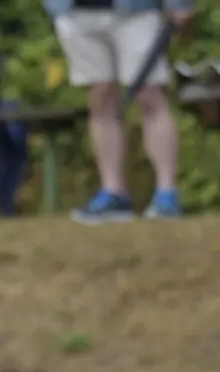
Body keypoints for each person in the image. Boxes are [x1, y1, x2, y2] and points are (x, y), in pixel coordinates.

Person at [48, 0, 190, 222]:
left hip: (136, 11)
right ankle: (113, 193)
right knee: (100, 97)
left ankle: (166, 194)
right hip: (75, 13)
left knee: (148, 94)